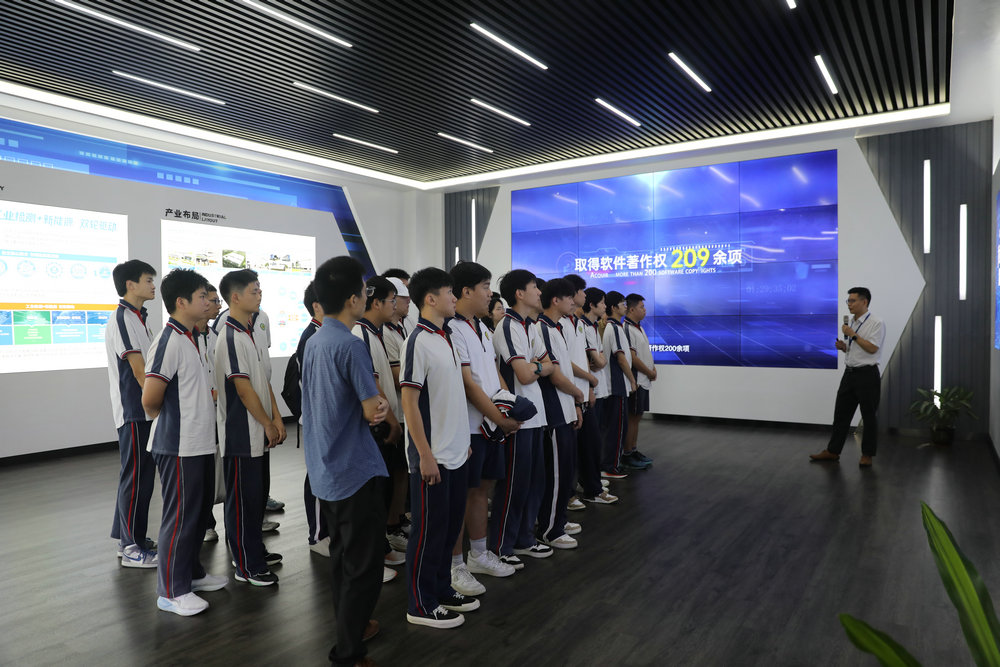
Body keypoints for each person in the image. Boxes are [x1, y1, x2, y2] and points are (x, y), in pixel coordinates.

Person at [303, 256, 389, 665]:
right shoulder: (351, 344)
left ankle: (352, 626)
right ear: (354, 299)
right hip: (354, 469)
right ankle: (349, 652)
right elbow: (372, 409)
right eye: (366, 291)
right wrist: (381, 406)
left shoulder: (316, 340)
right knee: (363, 566)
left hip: (326, 469)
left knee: (342, 558)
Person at [142, 268, 228, 616]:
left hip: (200, 442)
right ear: (181, 302)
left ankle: (191, 574)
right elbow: (150, 399)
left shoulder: (194, 337)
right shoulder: (170, 341)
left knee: (197, 513)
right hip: (179, 446)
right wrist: (176, 423)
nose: (208, 302)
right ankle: (171, 591)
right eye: (202, 296)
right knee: (179, 517)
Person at [402, 267, 478, 629]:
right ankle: (420, 604)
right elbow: (409, 402)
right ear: (430, 299)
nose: (454, 298)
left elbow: (451, 396)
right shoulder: (417, 340)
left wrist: (463, 441)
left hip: (456, 453)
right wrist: (425, 455)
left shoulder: (446, 336)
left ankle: (442, 588)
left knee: (449, 530)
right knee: (428, 533)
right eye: (449, 292)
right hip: (433, 457)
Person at [447, 262, 520, 597]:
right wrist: (500, 418)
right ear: (466, 291)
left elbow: (493, 373)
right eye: (485, 287)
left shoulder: (482, 328)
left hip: (491, 424)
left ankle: (478, 554)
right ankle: (455, 565)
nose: (490, 294)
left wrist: (507, 407)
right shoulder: (453, 329)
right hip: (470, 427)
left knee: (482, 489)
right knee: (461, 495)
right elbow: (468, 385)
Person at [215, 269, 286, 586]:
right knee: (243, 502)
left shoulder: (248, 332)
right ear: (235, 297)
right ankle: (245, 565)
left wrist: (277, 417)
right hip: (242, 434)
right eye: (254, 291)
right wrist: (267, 422)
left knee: (256, 499)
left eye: (259, 290)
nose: (259, 295)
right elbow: (243, 389)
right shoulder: (229, 336)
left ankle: (254, 552)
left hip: (258, 431)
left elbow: (262, 381)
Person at [490, 269, 555, 569]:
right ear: (519, 293)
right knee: (513, 485)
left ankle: (525, 538)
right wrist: (537, 367)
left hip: (535, 417)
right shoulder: (508, 326)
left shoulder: (530, 326)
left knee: (533, 482)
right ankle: (502, 545)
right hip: (518, 418)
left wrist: (536, 367)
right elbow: (525, 375)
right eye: (534, 287)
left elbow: (549, 364)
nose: (539, 292)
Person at [352, 276, 408, 572]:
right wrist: (392, 422)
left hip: (385, 420)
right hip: (375, 424)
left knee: (383, 489)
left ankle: (382, 543)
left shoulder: (375, 333)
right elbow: (371, 385)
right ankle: (373, 556)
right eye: (392, 300)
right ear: (376, 303)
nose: (395, 306)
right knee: (372, 493)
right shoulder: (361, 333)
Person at [105, 259, 158, 568]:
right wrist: (158, 406)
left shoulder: (139, 317)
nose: (153, 285)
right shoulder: (124, 318)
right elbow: (139, 372)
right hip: (135, 411)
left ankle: (129, 538)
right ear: (130, 285)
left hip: (142, 411)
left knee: (139, 477)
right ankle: (130, 546)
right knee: (136, 478)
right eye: (148, 280)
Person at [535, 278, 586, 549]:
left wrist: (575, 405)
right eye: (569, 297)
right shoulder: (542, 329)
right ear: (555, 300)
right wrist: (577, 394)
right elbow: (554, 374)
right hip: (554, 411)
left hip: (565, 408)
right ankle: (550, 530)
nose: (573, 302)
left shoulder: (557, 328)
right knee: (556, 474)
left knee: (564, 471)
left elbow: (563, 369)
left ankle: (557, 519)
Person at [810, 287, 886, 467]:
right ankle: (833, 451)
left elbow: (872, 348)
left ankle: (867, 454)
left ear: (864, 302)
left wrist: (853, 335)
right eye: (848, 301)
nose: (849, 304)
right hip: (850, 373)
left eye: (852, 301)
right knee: (841, 415)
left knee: (868, 416)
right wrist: (844, 347)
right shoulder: (852, 322)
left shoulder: (876, 322)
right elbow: (855, 347)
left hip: (867, 374)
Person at [294, 282, 331, 557]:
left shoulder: (324, 334)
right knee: (318, 474)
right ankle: (318, 535)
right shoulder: (311, 337)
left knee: (325, 474)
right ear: (317, 306)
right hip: (317, 418)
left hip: (326, 418)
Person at [580, 287, 618, 504]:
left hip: (599, 388)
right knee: (591, 443)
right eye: (602, 302)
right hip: (590, 390)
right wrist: (598, 360)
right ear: (592, 305)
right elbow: (597, 360)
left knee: (596, 440)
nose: (605, 306)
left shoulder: (593, 326)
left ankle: (592, 480)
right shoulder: (584, 326)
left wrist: (598, 360)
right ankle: (591, 486)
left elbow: (601, 359)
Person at [194, 284, 223, 543]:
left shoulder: (215, 336)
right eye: (212, 300)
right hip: (196, 416)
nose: (216, 305)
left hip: (217, 412)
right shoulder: (184, 338)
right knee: (200, 474)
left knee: (214, 469)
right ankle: (204, 523)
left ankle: (210, 520)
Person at [599, 291, 637, 479]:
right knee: (617, 428)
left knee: (616, 427)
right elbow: (621, 358)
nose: (625, 307)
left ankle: (611, 464)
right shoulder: (613, 328)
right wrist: (632, 380)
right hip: (616, 385)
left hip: (617, 385)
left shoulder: (615, 327)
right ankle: (610, 466)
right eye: (622, 304)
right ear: (613, 307)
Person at [622, 293, 656, 470]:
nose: (644, 310)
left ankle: (633, 450)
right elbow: (632, 358)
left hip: (644, 380)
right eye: (641, 307)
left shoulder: (638, 328)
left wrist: (652, 369)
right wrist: (649, 372)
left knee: (637, 417)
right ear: (631, 309)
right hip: (636, 380)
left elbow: (644, 354)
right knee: (631, 418)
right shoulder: (627, 329)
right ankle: (627, 454)